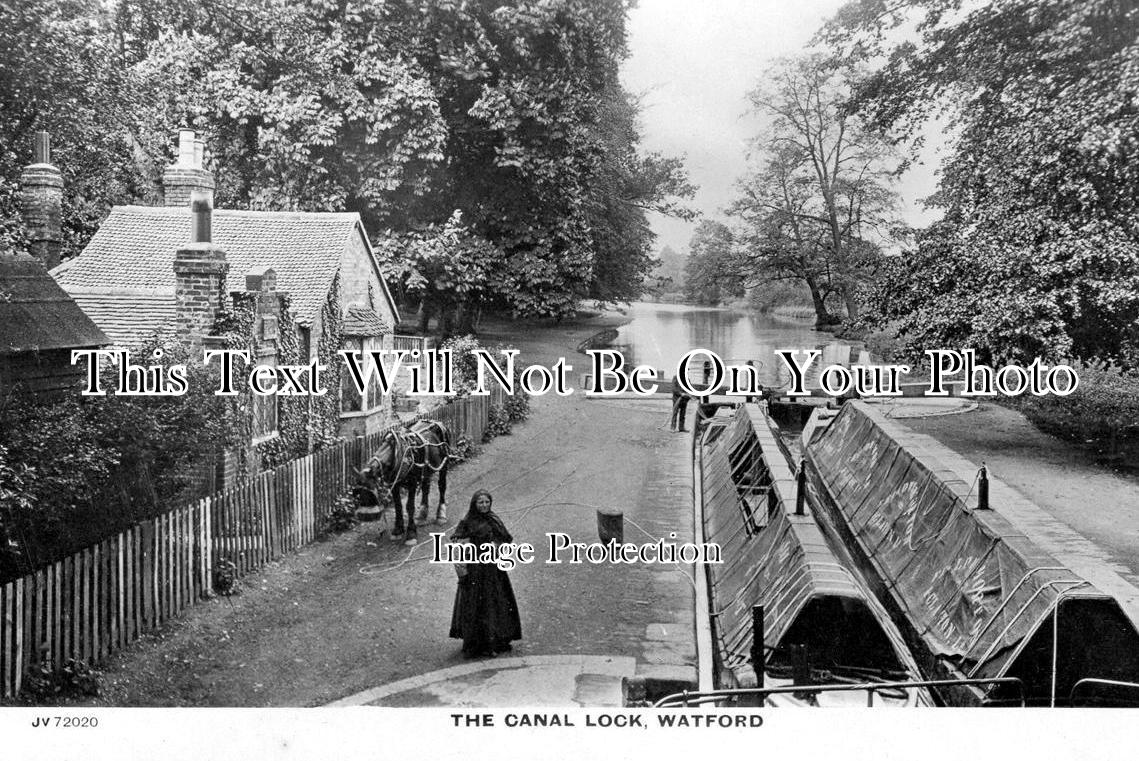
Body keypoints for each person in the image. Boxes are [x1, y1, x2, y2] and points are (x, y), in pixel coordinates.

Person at [449, 490, 522, 658]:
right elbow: (458, 545)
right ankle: (476, 645)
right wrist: (462, 569)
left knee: (494, 602)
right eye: (480, 502)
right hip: (475, 570)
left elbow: (505, 539)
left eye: (486, 502)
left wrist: (497, 546)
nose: (484, 505)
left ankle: (494, 642)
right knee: (476, 605)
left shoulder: (493, 519)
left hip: (493, 569)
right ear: (474, 504)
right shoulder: (467, 522)